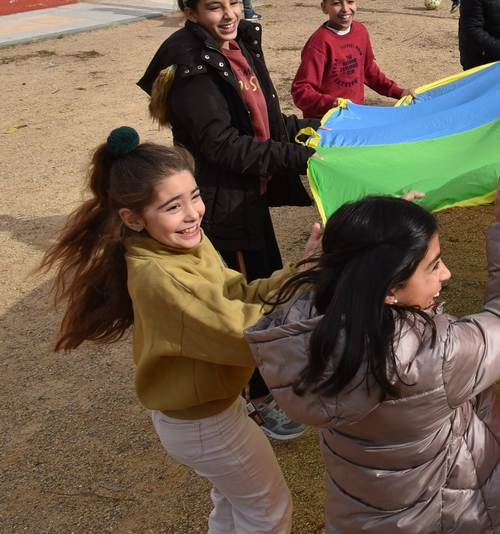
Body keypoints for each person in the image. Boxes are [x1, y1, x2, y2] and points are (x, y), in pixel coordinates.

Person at [39, 128, 324, 532]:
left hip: (206, 413)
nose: (192, 213)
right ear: (133, 219)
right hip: (206, 423)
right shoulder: (162, 276)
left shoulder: (180, 243)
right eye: (173, 206)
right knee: (267, 512)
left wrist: (301, 272)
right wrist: (314, 286)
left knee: (235, 504)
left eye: (194, 196)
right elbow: (250, 333)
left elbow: (235, 291)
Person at [246, 171, 500, 534]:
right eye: (433, 265)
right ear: (389, 288)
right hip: (439, 518)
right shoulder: (428, 356)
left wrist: (383, 233)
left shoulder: (309, 328)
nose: (446, 273)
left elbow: (346, 270)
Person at [138, 0, 319, 438]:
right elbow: (223, 146)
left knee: (267, 283)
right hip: (222, 201)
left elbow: (259, 114)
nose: (228, 14)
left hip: (248, 195)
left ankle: (277, 377)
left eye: (234, 2)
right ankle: (258, 396)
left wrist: (308, 128)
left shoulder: (235, 46)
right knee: (241, 299)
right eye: (214, 7)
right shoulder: (192, 68)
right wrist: (300, 157)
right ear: (191, 12)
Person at [291, 0, 416, 119]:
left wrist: (398, 92)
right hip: (326, 123)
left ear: (356, 1)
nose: (345, 9)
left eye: (350, 1)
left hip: (355, 116)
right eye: (337, 3)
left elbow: (368, 70)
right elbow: (301, 91)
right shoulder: (319, 43)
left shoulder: (361, 31)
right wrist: (331, 103)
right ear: (324, 7)